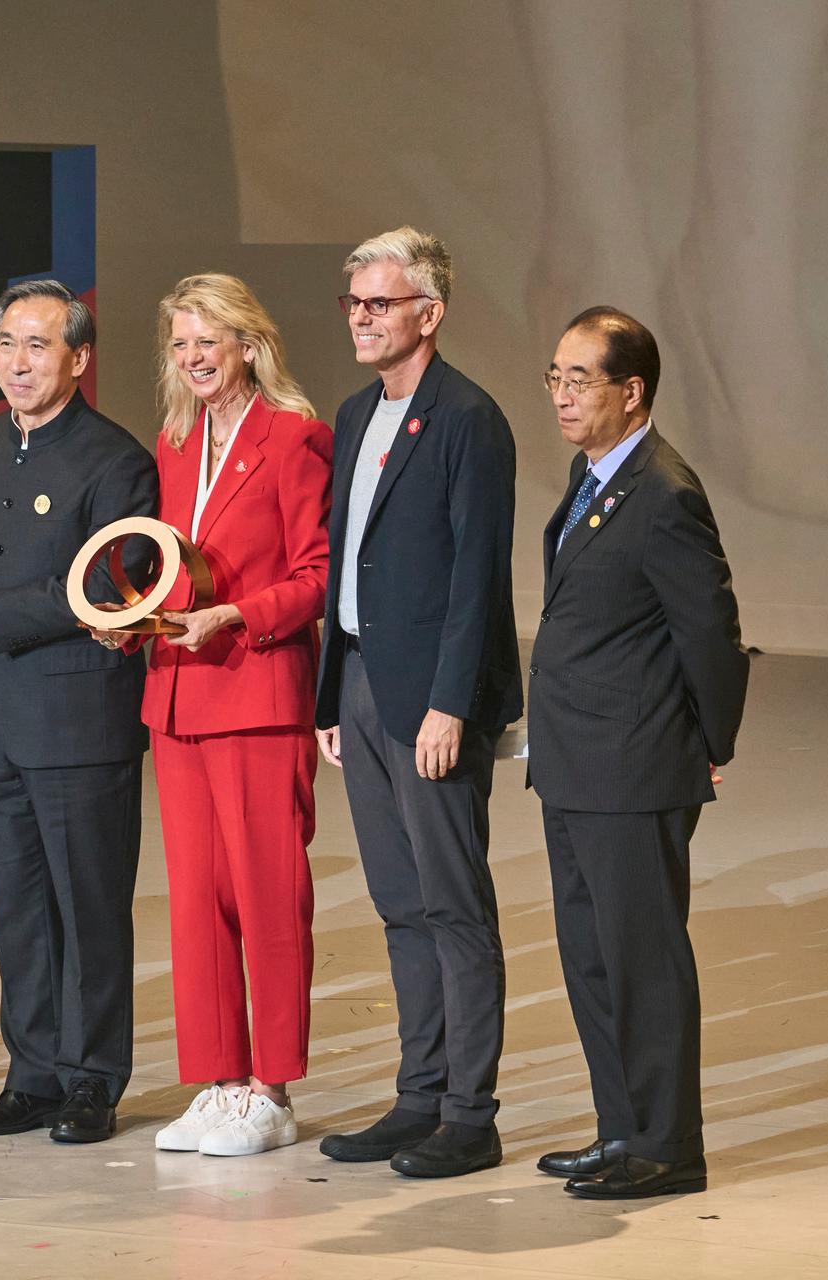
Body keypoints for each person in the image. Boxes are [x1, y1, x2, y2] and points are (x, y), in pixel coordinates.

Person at [313, 228, 522, 1178]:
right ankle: (419, 1097)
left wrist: (452, 706)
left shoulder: (469, 418)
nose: (361, 317)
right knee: (399, 903)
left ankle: (471, 1117)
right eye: (354, 302)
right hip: (359, 682)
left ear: (427, 315)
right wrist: (328, 696)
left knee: (453, 905)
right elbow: (344, 564)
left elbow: (478, 579)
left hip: (431, 700)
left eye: (380, 304)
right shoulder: (358, 414)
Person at [0, 279, 158, 1144]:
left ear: (78, 358)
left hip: (80, 717)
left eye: (36, 345)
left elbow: (108, 589)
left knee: (89, 905)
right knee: (19, 909)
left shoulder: (115, 458)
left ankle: (94, 1079)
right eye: (5, 344)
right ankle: (31, 1073)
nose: (17, 362)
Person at [527, 306, 748, 1199]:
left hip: (634, 763)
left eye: (581, 379)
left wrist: (707, 745)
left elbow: (712, 636)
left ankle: (667, 1146)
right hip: (579, 763)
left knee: (643, 961)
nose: (563, 396)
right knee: (592, 957)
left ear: (633, 390)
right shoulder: (594, 480)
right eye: (555, 376)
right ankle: (621, 1129)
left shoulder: (663, 491)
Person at [117, 274, 330, 1157]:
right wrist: (132, 619)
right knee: (196, 902)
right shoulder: (174, 442)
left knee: (265, 896)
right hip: (177, 694)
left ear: (249, 343)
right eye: (180, 343)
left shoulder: (294, 439)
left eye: (210, 340)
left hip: (255, 689)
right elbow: (172, 566)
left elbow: (317, 575)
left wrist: (236, 615)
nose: (195, 357)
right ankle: (218, 1081)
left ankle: (272, 1089)